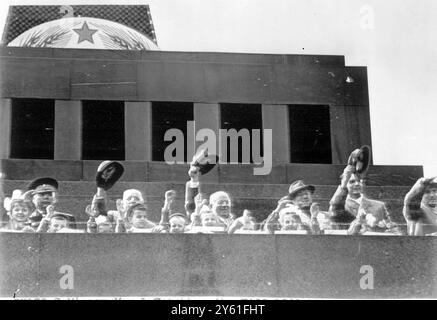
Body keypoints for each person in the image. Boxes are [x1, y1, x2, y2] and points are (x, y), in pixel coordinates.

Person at [329, 163, 400, 235]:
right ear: (345, 184)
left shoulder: (379, 205)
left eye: (360, 181)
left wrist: (394, 231)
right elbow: (334, 209)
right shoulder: (340, 206)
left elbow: (392, 227)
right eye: (352, 181)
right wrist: (343, 185)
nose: (357, 184)